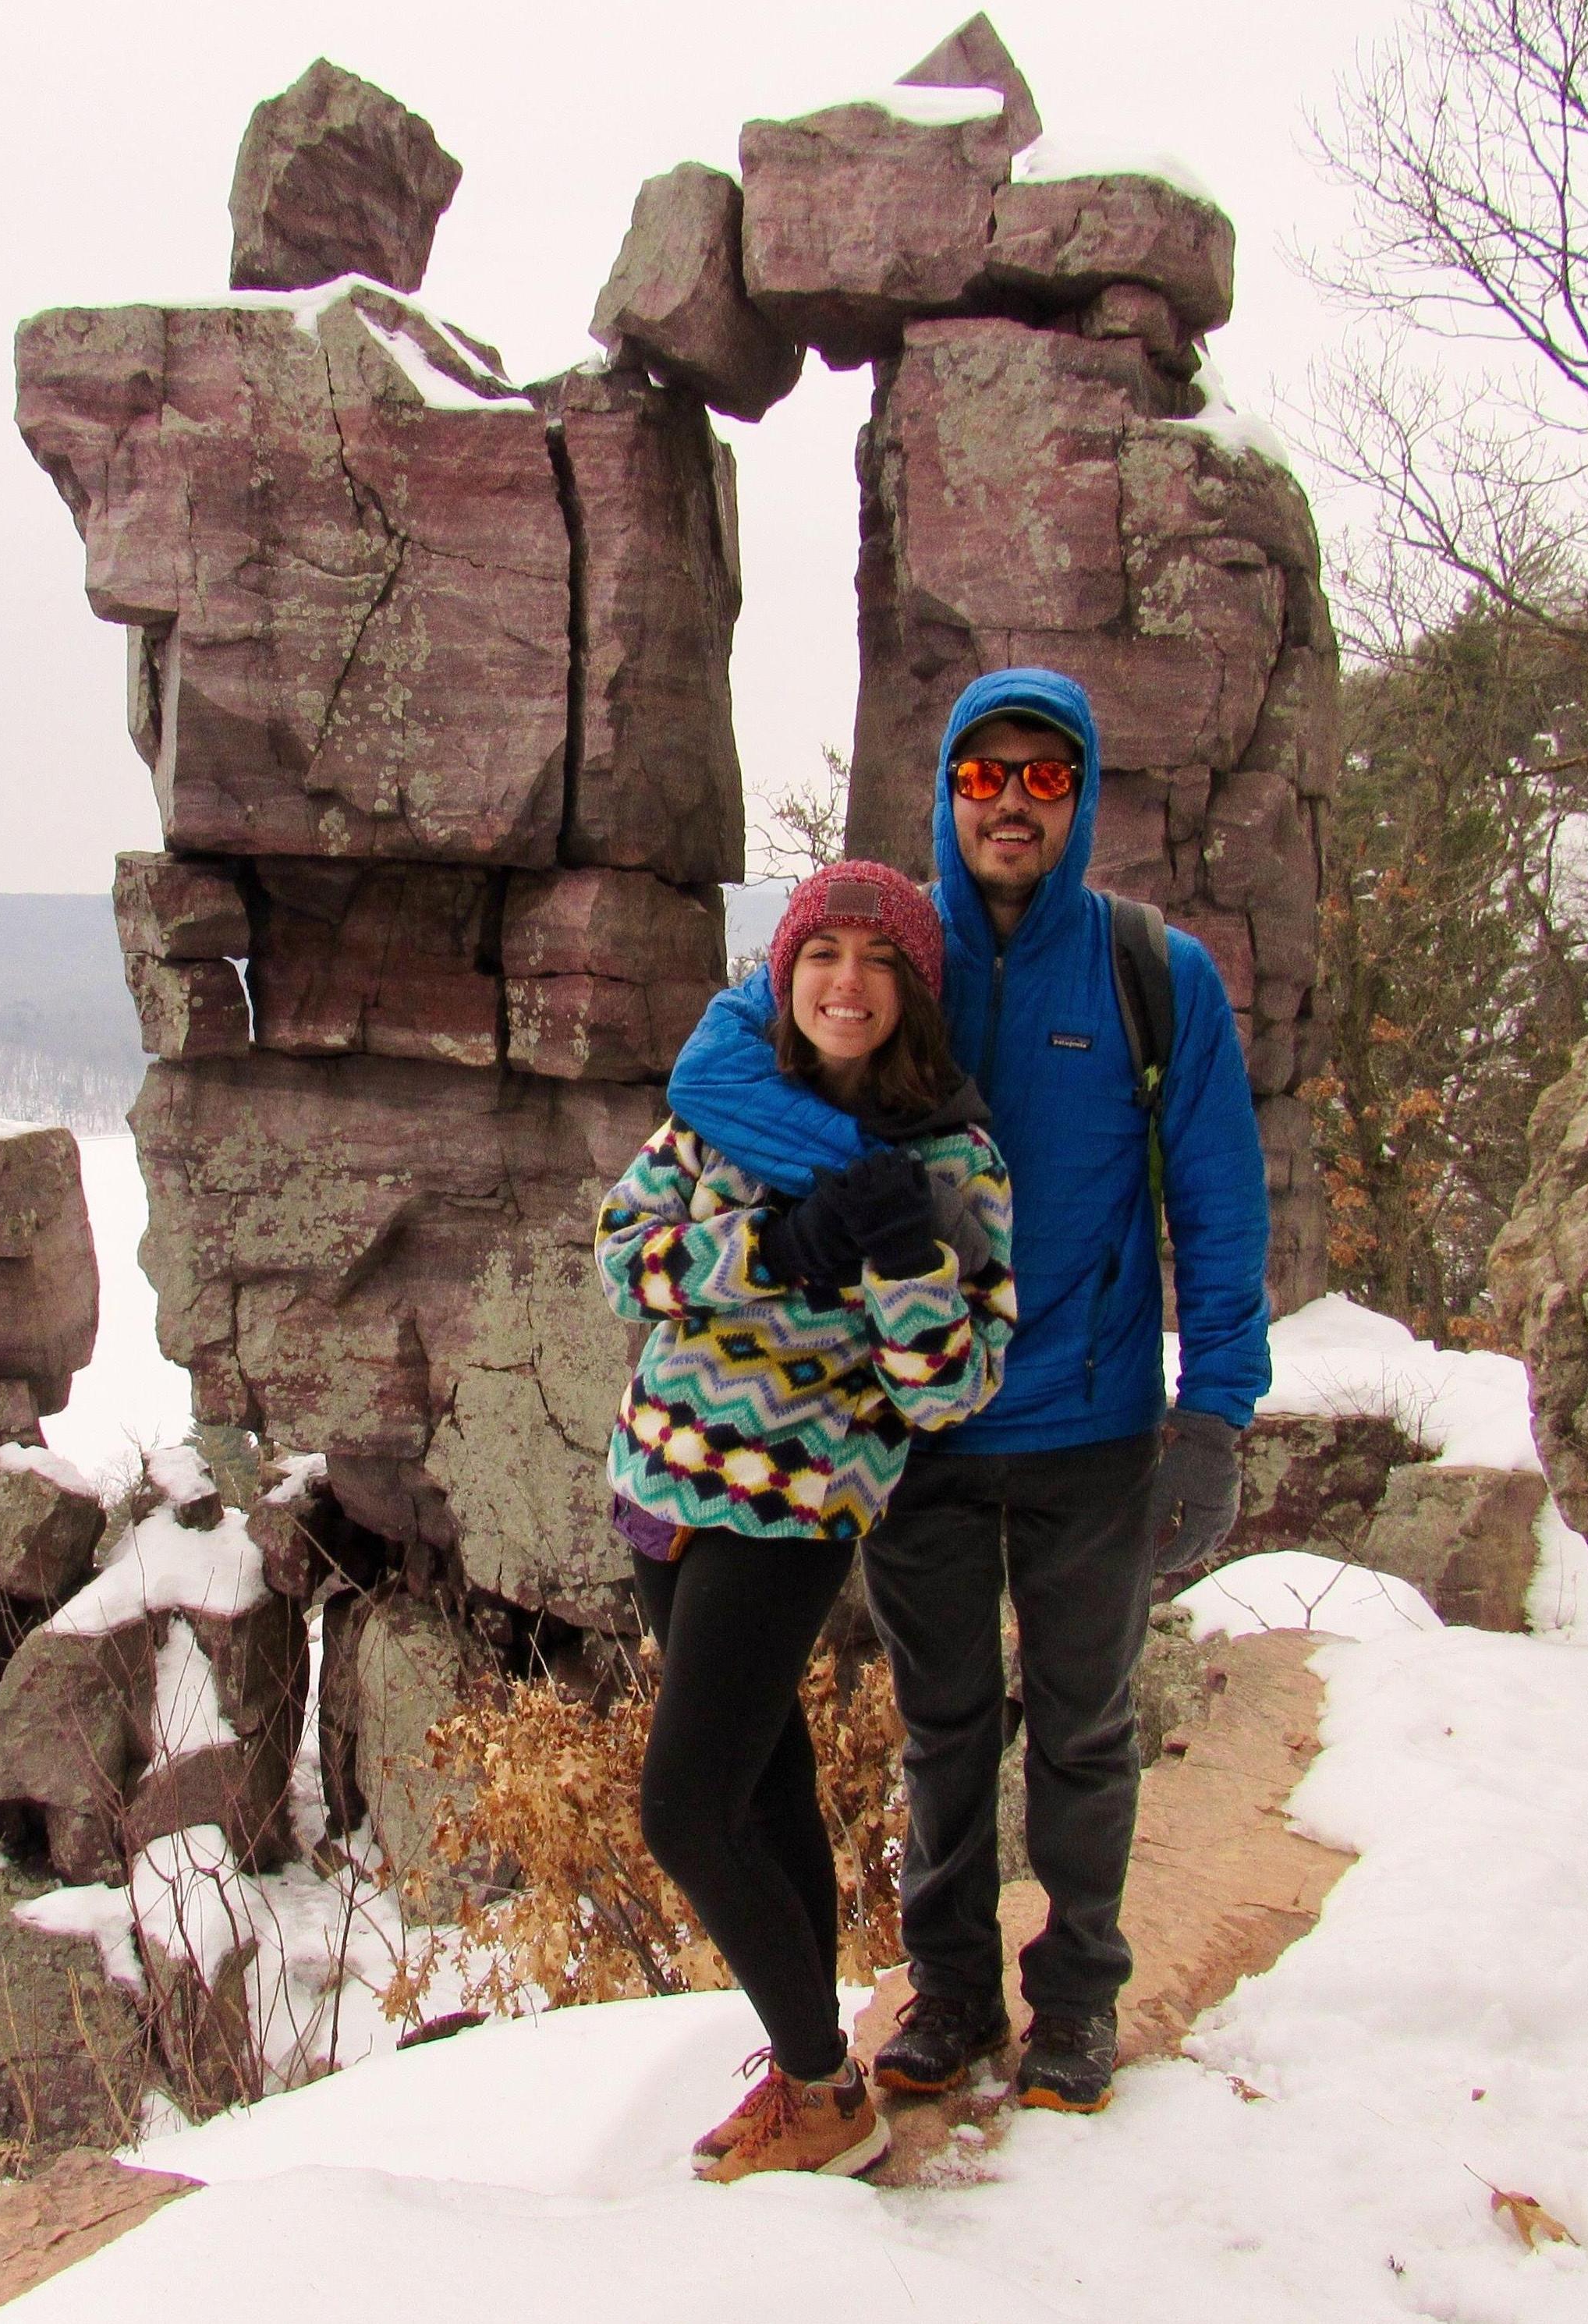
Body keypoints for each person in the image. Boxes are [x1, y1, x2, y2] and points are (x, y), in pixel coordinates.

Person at [666, 668, 1270, 2114]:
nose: (1011, 802)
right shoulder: (893, 961)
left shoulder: (1150, 973)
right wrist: (836, 1192)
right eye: (984, 777)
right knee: (943, 1727)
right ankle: (949, 1997)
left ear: (1082, 797)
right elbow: (707, 1068)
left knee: (1082, 1726)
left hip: (1093, 1417)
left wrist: (1218, 1407)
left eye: (1044, 779)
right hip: (913, 1424)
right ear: (947, 790)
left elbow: (1219, 1199)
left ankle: (1074, 2001)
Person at [594, 859, 1017, 2184]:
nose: (847, 982)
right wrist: (773, 1252)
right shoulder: (731, 1110)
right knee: (763, 1796)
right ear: (787, 974)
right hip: (665, 1488)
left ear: (911, 992)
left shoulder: (950, 1163)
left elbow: (950, 1384)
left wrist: (896, 1259)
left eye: (878, 961)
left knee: (685, 1811)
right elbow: (624, 1257)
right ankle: (807, 2070)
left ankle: (827, 2092)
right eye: (822, 954)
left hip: (790, 1512)